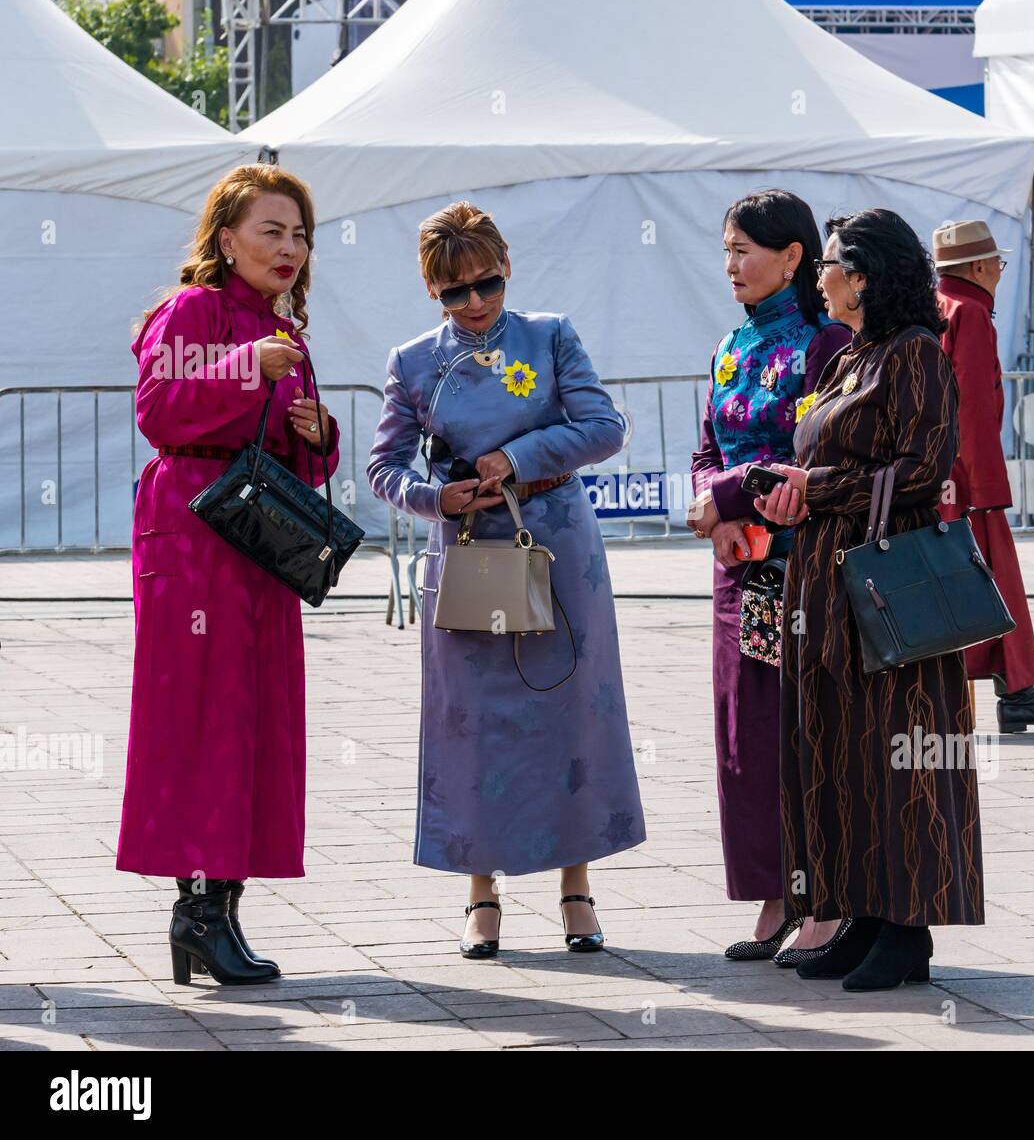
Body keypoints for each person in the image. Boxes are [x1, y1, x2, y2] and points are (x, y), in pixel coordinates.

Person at [367, 202, 645, 960]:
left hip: (557, 547)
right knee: (472, 723)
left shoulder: (551, 336)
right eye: (455, 292)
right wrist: (436, 497)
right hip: (464, 555)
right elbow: (382, 467)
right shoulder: (412, 361)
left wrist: (518, 456)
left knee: (569, 713)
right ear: (432, 292)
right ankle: (479, 892)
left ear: (507, 266)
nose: (476, 303)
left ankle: (576, 886)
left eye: (485, 282)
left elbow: (605, 427)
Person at [116, 164, 340, 986]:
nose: (290, 247)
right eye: (272, 230)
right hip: (192, 529)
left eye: (300, 233)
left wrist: (319, 431)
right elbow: (158, 410)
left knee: (256, 719)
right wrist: (253, 369)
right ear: (225, 238)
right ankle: (196, 911)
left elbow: (303, 464)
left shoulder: (287, 332)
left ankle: (222, 914)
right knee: (200, 715)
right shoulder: (194, 310)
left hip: (259, 540)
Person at [753, 209, 984, 991]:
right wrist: (790, 496)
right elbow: (825, 462)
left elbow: (924, 467)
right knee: (839, 748)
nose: (818, 275)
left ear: (864, 276)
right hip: (824, 578)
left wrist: (816, 488)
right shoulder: (846, 357)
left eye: (829, 264)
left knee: (900, 749)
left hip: (887, 583)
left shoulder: (916, 353)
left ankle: (906, 927)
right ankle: (858, 910)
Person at [689, 190, 850, 965]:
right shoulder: (728, 345)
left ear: (793, 256)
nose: (731, 265)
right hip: (738, 573)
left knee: (803, 728)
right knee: (744, 737)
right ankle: (773, 888)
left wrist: (725, 497)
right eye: (725, 249)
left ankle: (824, 887)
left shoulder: (824, 346)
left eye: (745, 249)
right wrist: (718, 514)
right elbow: (707, 447)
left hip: (801, 569)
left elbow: (812, 459)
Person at [931, 220, 1034, 733]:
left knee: (967, 585)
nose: (1000, 268)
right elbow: (972, 408)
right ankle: (1017, 691)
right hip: (968, 480)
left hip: (941, 475)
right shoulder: (971, 313)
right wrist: (987, 489)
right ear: (977, 267)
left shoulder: (938, 307)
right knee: (997, 586)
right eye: (996, 261)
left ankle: (1013, 688)